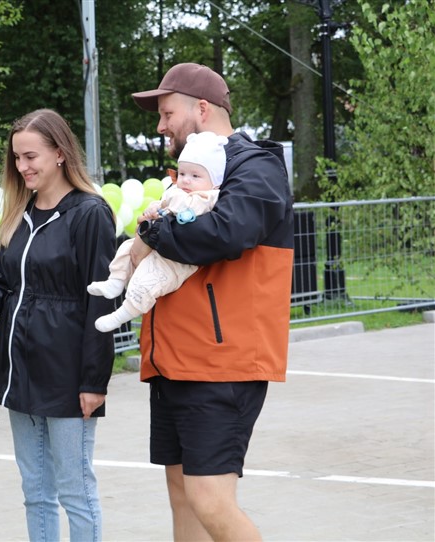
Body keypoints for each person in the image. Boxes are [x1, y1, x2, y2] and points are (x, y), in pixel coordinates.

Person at [129, 63, 294, 540]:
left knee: (209, 499)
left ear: (202, 109)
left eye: (167, 114)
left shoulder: (255, 165)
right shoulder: (192, 175)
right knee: (183, 495)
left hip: (223, 363)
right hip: (176, 359)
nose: (160, 126)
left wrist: (151, 232)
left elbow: (226, 232)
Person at [0, 109, 116, 542]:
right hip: (19, 373)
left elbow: (102, 300)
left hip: (67, 375)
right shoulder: (18, 214)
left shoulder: (90, 213)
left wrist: (94, 380)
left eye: (30, 156)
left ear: (60, 153)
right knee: (35, 492)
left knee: (75, 491)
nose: (22, 166)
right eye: (16, 158)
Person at [88, 131, 228, 332]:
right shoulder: (179, 191)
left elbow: (184, 207)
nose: (186, 180)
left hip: (177, 261)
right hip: (160, 246)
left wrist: (166, 202)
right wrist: (154, 208)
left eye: (195, 176)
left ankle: (122, 315)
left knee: (149, 280)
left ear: (214, 181)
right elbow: (163, 206)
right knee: (126, 247)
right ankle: (115, 281)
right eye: (182, 174)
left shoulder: (208, 197)